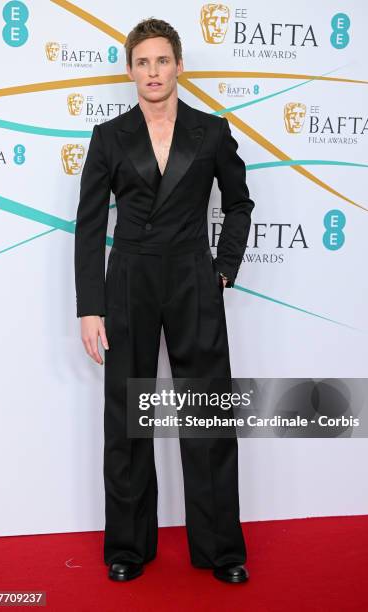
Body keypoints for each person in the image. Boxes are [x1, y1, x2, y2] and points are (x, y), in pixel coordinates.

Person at [74, 17, 255, 584]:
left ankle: (221, 549)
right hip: (128, 278)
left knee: (205, 413)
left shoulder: (212, 131)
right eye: (142, 62)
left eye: (162, 61)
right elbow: (88, 225)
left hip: (192, 279)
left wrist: (222, 268)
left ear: (179, 65)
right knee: (128, 418)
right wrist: (89, 306)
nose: (153, 72)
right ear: (131, 70)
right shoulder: (109, 136)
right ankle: (128, 546)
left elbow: (240, 202)